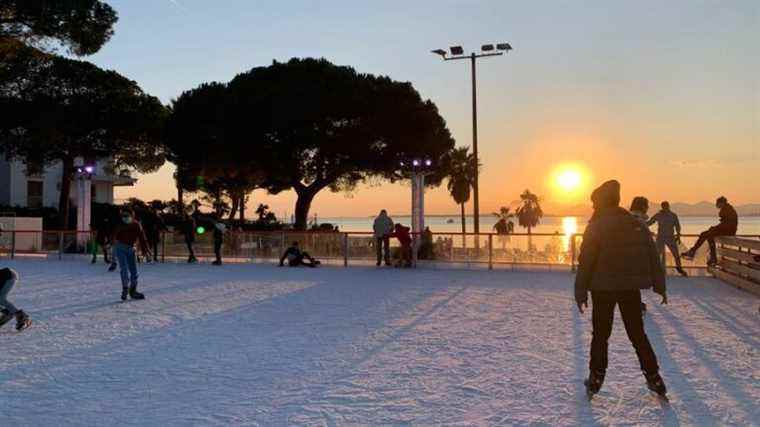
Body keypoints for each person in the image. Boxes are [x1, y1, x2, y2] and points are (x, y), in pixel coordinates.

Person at [575, 180, 668, 398]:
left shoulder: (596, 225)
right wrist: (660, 286)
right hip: (629, 288)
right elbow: (652, 255)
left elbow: (586, 260)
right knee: (637, 334)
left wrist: (580, 291)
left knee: (600, 335)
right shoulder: (633, 223)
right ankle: (654, 377)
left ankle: (596, 376)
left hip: (603, 289)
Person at [681, 196, 738, 266]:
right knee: (705, 234)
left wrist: (715, 228)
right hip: (727, 230)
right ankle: (695, 252)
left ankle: (706, 255)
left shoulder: (727, 210)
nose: (716, 205)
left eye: (718, 203)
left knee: (709, 235)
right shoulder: (727, 209)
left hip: (729, 231)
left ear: (722, 203)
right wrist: (715, 228)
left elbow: (727, 224)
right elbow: (725, 224)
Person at [112, 208, 151, 301]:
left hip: (131, 249)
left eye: (127, 216)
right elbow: (113, 236)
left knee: (134, 271)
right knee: (124, 268)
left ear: (132, 216)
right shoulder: (119, 225)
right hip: (120, 248)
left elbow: (142, 237)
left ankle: (133, 291)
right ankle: (125, 288)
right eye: (123, 216)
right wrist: (112, 242)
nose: (125, 218)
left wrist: (146, 249)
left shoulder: (137, 225)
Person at [648, 201, 688, 277]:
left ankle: (679, 268)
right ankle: (653, 270)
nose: (665, 207)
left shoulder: (673, 215)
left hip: (670, 237)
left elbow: (677, 226)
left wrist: (678, 235)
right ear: (662, 207)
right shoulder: (658, 215)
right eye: (663, 206)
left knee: (676, 254)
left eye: (666, 206)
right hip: (660, 237)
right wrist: (641, 224)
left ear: (668, 206)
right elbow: (650, 222)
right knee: (657, 254)